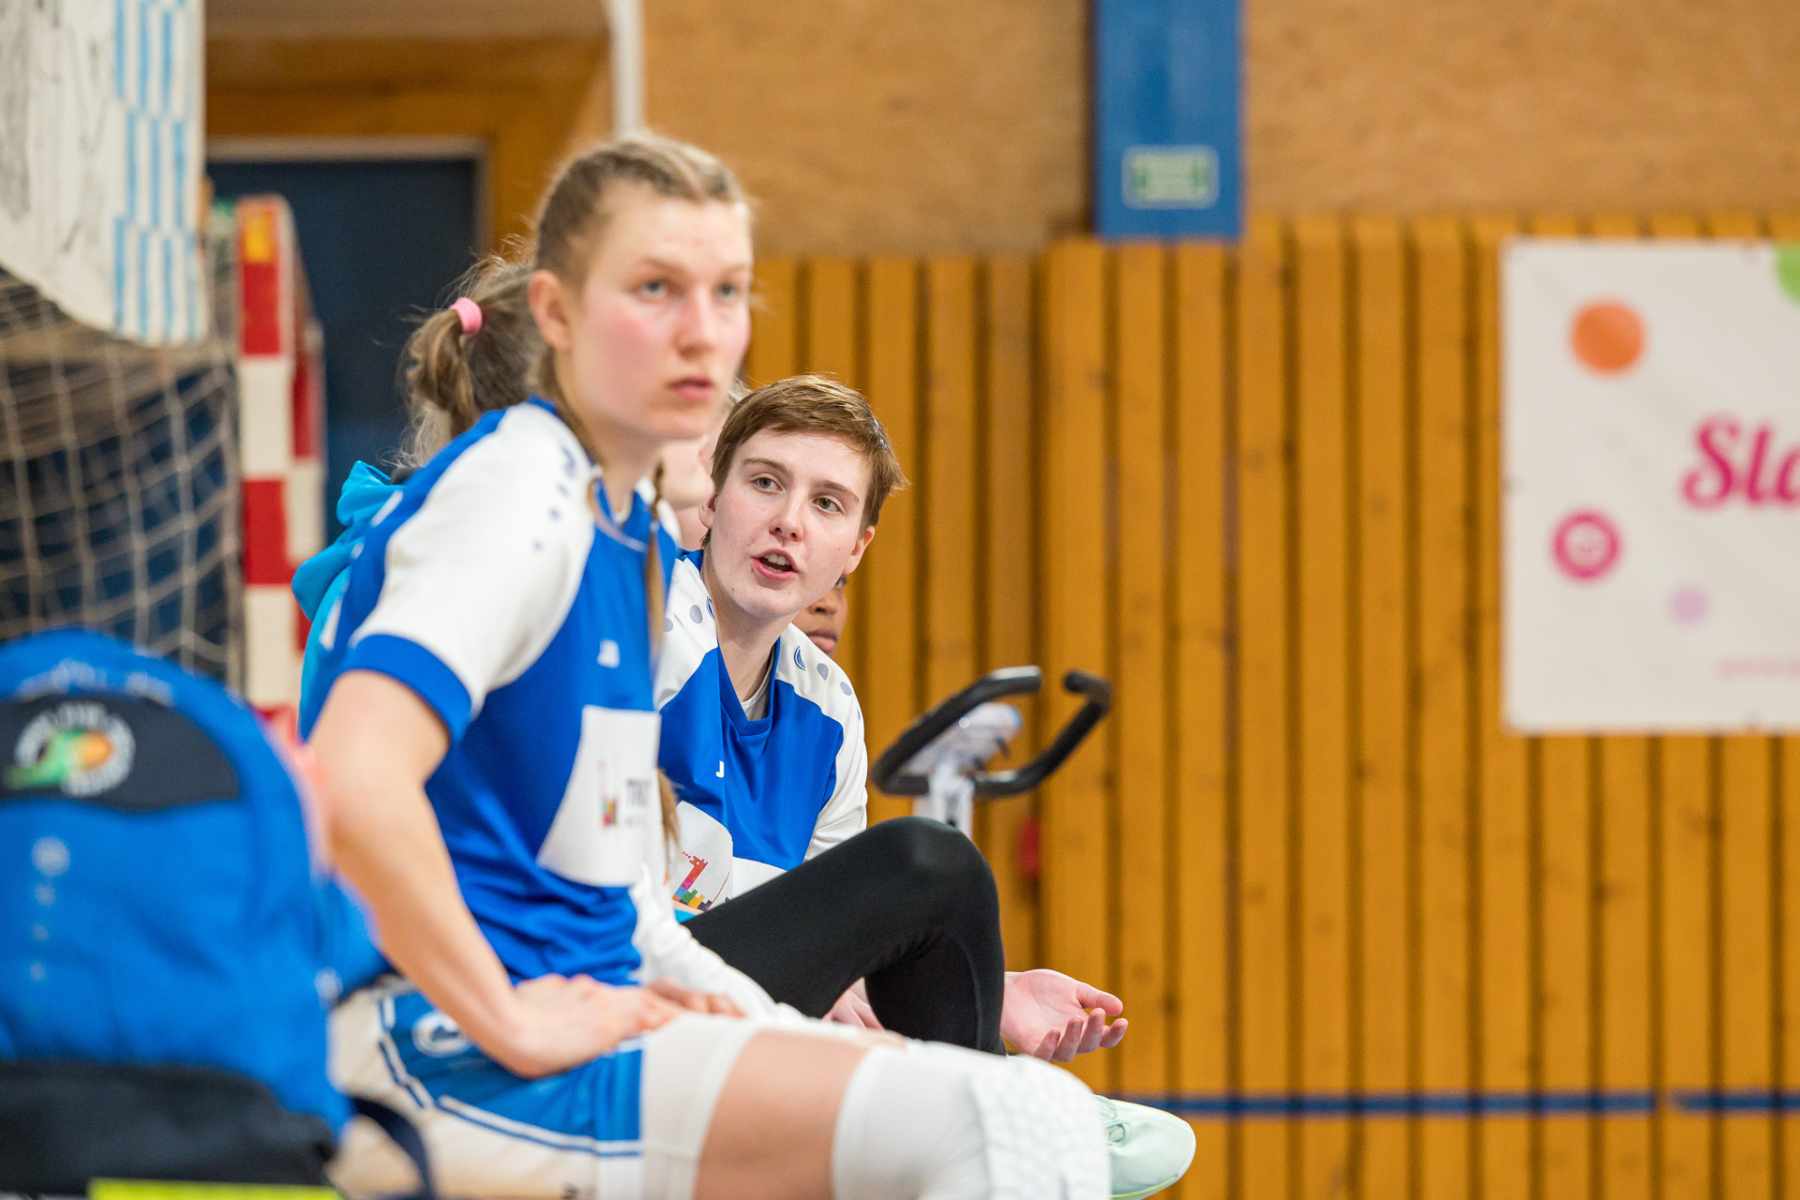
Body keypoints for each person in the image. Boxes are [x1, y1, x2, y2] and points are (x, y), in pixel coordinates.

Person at [303, 132, 1108, 1198]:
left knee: (1005, 1111)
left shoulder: (617, 536)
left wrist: (771, 1026)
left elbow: (624, 901)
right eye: (656, 288)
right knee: (1003, 1125)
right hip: (452, 1047)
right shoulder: (519, 490)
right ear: (557, 313)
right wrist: (508, 1018)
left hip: (609, 1009)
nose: (702, 332)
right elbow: (348, 780)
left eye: (727, 293)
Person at [654, 375, 1195, 1199]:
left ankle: (993, 1108)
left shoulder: (828, 705)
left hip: (732, 1020)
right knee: (926, 865)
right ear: (714, 495)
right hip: (627, 999)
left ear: (857, 547)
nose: (789, 521)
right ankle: (1007, 1110)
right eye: (764, 483)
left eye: (827, 504)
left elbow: (833, 940)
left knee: (923, 896)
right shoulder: (648, 613)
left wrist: (985, 990)